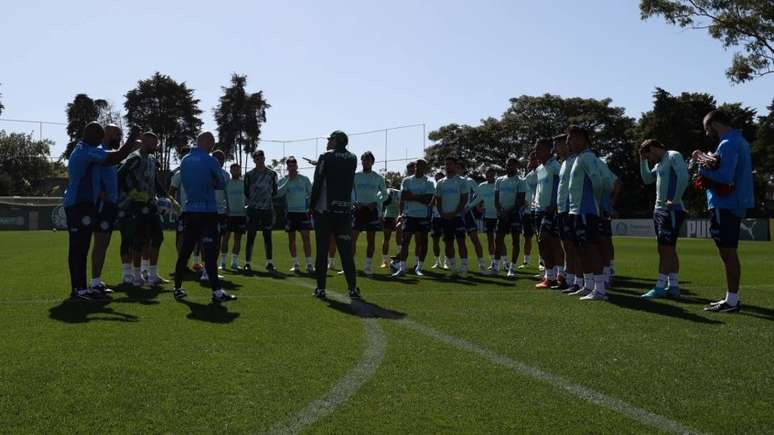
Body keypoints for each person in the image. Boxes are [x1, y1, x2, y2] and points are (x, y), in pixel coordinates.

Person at [64, 122, 137, 301]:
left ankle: (82, 288)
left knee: (81, 246)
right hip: (79, 204)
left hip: (83, 204)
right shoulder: (86, 151)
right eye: (99, 136)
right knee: (78, 248)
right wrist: (132, 137)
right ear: (92, 136)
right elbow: (117, 156)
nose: (100, 140)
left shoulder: (85, 149)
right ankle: (79, 290)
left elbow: (115, 156)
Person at [694, 110, 754, 313]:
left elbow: (725, 176)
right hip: (733, 202)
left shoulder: (728, 143)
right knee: (728, 252)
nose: (707, 133)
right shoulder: (738, 140)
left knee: (727, 252)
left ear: (714, 124)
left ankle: (732, 301)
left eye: (707, 128)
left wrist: (701, 165)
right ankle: (731, 298)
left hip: (725, 203)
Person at [172, 132, 235, 303]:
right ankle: (216, 292)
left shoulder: (184, 161)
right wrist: (210, 182)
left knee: (185, 251)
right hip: (207, 211)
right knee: (210, 250)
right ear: (205, 142)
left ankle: (177, 288)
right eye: (212, 143)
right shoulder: (210, 160)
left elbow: (183, 183)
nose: (213, 146)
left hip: (190, 210)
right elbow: (221, 182)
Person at [310, 130, 359, 300]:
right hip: (344, 211)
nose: (327, 142)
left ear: (336, 141)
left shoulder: (326, 156)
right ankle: (352, 288)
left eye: (330, 139)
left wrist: (311, 206)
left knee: (322, 251)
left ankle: (321, 289)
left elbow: (318, 182)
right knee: (346, 252)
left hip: (325, 210)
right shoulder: (353, 158)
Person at [638, 139, 689, 299]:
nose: (649, 160)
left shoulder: (673, 156)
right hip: (659, 211)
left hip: (671, 210)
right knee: (667, 249)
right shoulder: (659, 164)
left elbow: (683, 177)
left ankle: (660, 287)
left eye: (648, 156)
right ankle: (673, 286)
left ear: (653, 148)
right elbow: (647, 179)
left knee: (666, 249)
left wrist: (675, 199)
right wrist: (641, 161)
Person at [117, 132, 169, 287]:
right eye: (153, 144)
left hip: (151, 204)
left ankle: (152, 275)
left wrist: (166, 197)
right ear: (145, 143)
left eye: (156, 144)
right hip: (135, 205)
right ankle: (137, 275)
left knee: (157, 237)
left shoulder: (152, 159)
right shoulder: (134, 158)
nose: (156, 147)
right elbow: (119, 175)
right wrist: (129, 192)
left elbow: (154, 180)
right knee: (138, 240)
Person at [565, 126, 606, 300]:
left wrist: (596, 202)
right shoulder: (578, 158)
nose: (568, 142)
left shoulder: (588, 157)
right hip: (576, 210)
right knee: (582, 249)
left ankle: (600, 289)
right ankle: (588, 285)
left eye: (571, 138)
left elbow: (597, 180)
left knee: (590, 248)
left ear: (582, 139)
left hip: (586, 210)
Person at [88, 124, 123, 294]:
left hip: (110, 204)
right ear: (108, 134)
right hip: (102, 205)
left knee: (104, 243)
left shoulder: (109, 153)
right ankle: (94, 282)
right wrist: (102, 194)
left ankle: (96, 280)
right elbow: (93, 173)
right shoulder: (100, 151)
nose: (119, 138)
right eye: (117, 134)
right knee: (100, 243)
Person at [393, 159, 435, 277]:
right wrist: (420, 197)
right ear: (415, 166)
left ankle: (419, 267)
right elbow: (404, 196)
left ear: (425, 168)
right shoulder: (407, 180)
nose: (420, 167)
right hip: (409, 215)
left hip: (423, 216)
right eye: (418, 165)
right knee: (405, 241)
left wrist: (413, 196)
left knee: (423, 242)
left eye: (423, 166)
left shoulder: (429, 182)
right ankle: (402, 268)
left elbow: (428, 200)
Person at [532, 138, 564, 289]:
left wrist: (554, 204)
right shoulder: (539, 168)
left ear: (549, 150)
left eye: (539, 148)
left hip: (551, 210)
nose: (536, 151)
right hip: (539, 210)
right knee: (543, 243)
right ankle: (549, 276)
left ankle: (561, 275)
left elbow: (559, 185)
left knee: (552, 241)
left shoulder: (555, 165)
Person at [554, 134, 583, 294]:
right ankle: (570, 280)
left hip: (571, 208)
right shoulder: (563, 163)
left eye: (558, 145)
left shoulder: (576, 160)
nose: (556, 149)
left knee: (575, 247)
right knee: (567, 247)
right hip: (561, 209)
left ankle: (579, 281)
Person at [350, 151, 388, 276]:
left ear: (372, 162)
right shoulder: (355, 176)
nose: (365, 162)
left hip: (372, 211)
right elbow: (349, 191)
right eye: (364, 160)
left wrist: (376, 202)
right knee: (352, 238)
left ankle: (368, 266)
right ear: (361, 162)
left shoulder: (378, 177)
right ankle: (349, 266)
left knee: (371, 240)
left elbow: (384, 194)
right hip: (358, 210)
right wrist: (354, 202)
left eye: (368, 160)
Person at [275, 156, 314, 273]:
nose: (292, 168)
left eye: (294, 165)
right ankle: (295, 264)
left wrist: (309, 208)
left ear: (297, 166)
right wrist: (288, 181)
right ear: (287, 167)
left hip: (303, 213)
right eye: (290, 166)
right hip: (290, 214)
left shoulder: (304, 179)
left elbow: (311, 194)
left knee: (306, 239)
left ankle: (309, 264)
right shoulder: (283, 180)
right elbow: (278, 194)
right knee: (291, 240)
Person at [243, 150, 278, 273]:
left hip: (267, 209)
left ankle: (269, 262)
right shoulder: (249, 175)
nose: (260, 160)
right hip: (253, 210)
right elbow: (246, 192)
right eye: (257, 159)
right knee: (250, 237)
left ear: (264, 158)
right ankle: (247, 263)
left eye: (261, 158)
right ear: (254, 160)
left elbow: (275, 190)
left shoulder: (272, 174)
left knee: (267, 237)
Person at [436, 155, 470, 277]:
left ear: (456, 166)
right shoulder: (440, 183)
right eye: (446, 164)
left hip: (458, 217)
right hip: (445, 218)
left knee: (461, 242)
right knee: (448, 243)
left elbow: (464, 199)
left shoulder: (461, 181)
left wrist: (454, 213)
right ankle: (454, 269)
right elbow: (438, 200)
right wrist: (443, 214)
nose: (448, 166)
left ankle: (464, 269)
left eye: (450, 164)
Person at [169, 146, 201, 271]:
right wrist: (176, 206)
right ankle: (182, 264)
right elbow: (171, 192)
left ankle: (196, 262)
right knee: (181, 238)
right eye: (184, 156)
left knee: (197, 238)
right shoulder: (179, 173)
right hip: (184, 212)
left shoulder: (199, 172)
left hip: (198, 210)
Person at [493, 157, 527, 277]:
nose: (509, 167)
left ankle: (512, 268)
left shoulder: (521, 181)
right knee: (498, 240)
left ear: (517, 167)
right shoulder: (499, 180)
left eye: (512, 165)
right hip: (502, 215)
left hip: (514, 215)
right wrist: (499, 211)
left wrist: (508, 212)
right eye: (508, 165)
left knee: (515, 241)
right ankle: (495, 266)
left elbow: (520, 200)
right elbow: (496, 199)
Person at [458, 162, 487, 274]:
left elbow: (480, 196)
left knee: (475, 239)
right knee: (460, 241)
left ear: (462, 169)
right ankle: (464, 266)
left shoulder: (469, 181)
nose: (456, 170)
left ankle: (482, 265)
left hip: (467, 214)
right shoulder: (450, 181)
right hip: (455, 215)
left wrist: (469, 207)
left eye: (459, 168)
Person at [222, 163, 246, 270]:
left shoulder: (244, 183)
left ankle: (234, 263)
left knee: (238, 239)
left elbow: (249, 197)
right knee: (225, 238)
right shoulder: (227, 184)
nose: (236, 171)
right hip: (229, 215)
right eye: (234, 170)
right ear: (231, 171)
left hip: (241, 215)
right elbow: (222, 197)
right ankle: (222, 262)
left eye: (238, 169)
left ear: (240, 171)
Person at [210, 150, 230, 279]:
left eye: (222, 159)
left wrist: (228, 207)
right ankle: (206, 269)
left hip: (221, 212)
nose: (220, 162)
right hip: (208, 211)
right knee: (207, 241)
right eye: (218, 159)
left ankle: (213, 269)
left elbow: (227, 193)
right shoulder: (206, 172)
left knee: (217, 241)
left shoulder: (225, 175)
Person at [476, 167, 499, 272]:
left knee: (499, 239)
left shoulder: (498, 184)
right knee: (490, 240)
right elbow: (478, 199)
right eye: (487, 174)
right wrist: (479, 207)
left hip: (499, 216)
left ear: (494, 174)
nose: (489, 176)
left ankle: (505, 262)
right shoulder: (481, 186)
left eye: (491, 174)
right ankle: (493, 262)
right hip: (487, 216)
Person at [520, 154, 538, 270]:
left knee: (539, 237)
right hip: (527, 211)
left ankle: (542, 262)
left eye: (533, 160)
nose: (530, 163)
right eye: (530, 161)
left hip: (538, 210)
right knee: (527, 237)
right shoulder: (527, 176)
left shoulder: (542, 173)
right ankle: (526, 261)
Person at [380, 179, 402, 268]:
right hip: (390, 216)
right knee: (391, 239)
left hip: (393, 216)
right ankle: (386, 260)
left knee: (390, 239)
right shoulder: (391, 191)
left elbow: (382, 203)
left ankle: (389, 260)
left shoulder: (392, 192)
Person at [430, 171, 447, 269]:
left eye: (440, 178)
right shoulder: (433, 189)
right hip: (435, 218)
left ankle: (446, 262)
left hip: (446, 217)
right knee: (435, 241)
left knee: (447, 241)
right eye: (436, 178)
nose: (438, 180)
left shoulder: (446, 190)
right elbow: (431, 204)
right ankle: (437, 261)